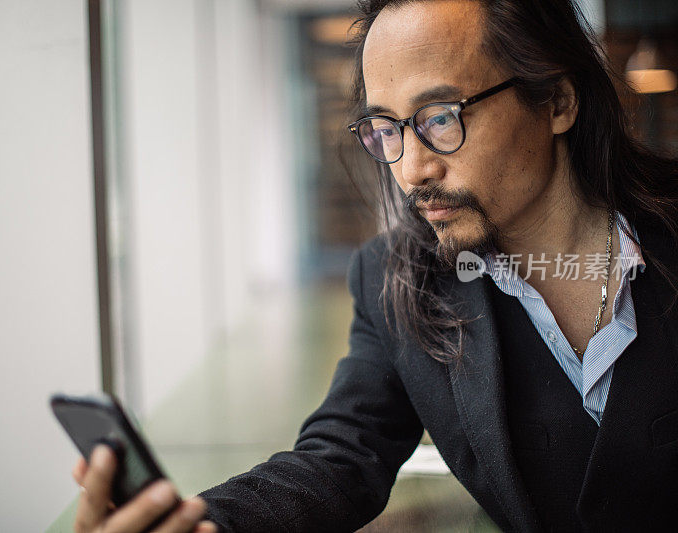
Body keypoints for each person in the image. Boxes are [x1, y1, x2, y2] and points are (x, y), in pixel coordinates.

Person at [69, 0, 678, 531]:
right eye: (387, 128)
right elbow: (341, 457)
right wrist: (199, 524)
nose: (412, 169)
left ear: (556, 101)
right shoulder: (396, 280)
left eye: (441, 117)